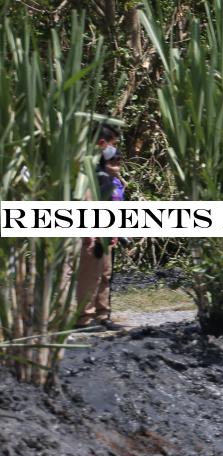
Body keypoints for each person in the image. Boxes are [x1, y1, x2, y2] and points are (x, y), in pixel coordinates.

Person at [78, 125, 124, 327]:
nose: (113, 149)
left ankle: (102, 314)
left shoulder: (104, 167)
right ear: (102, 143)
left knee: (105, 272)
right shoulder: (86, 168)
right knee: (89, 274)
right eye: (112, 144)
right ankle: (84, 318)